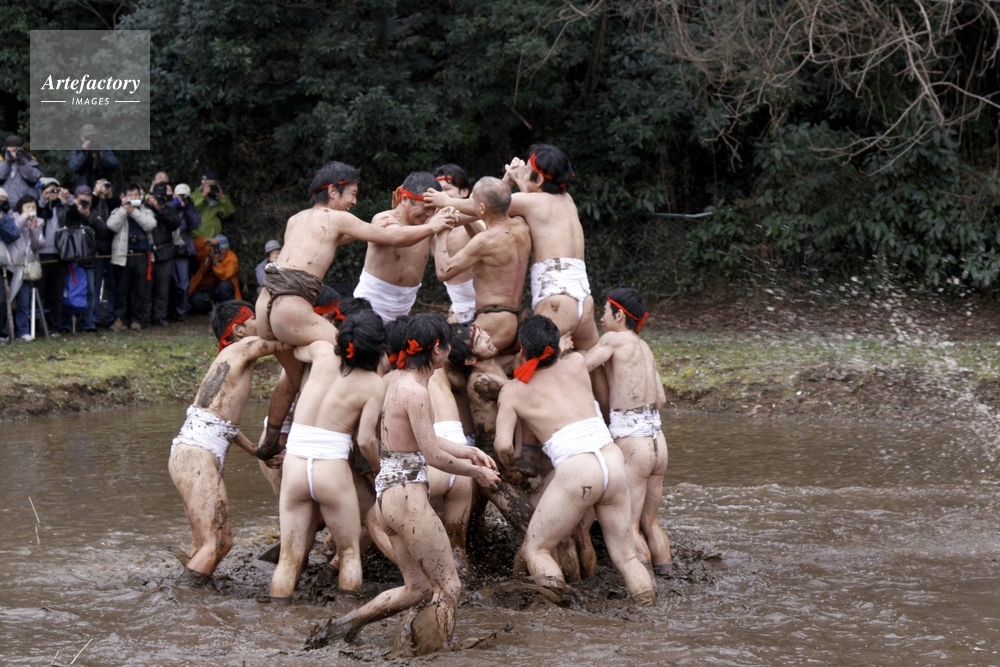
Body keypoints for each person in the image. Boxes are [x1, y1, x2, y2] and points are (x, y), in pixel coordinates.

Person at [307, 314, 499, 654]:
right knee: (449, 586)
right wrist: (476, 473)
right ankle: (433, 656)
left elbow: (424, 439)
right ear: (437, 350)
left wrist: (468, 451)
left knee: (417, 589)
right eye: (447, 346)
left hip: (390, 499)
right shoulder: (416, 392)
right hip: (409, 500)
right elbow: (433, 456)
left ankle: (345, 625)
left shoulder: (399, 384)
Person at [254, 161, 455, 462]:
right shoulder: (338, 218)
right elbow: (390, 237)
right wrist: (434, 226)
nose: (354, 201)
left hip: (264, 306)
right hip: (290, 306)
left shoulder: (297, 219)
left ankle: (272, 438)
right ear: (333, 191)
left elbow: (353, 235)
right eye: (351, 194)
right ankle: (342, 439)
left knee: (294, 377)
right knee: (353, 355)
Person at [494, 314, 655, 603]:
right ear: (556, 346)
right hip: (612, 461)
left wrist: (510, 466)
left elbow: (503, 445)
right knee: (627, 556)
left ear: (522, 349)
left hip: (578, 470)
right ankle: (650, 610)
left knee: (537, 549)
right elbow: (572, 357)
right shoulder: (578, 362)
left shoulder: (513, 391)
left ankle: (562, 620)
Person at [424, 145, 598, 352]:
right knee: (589, 359)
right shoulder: (567, 200)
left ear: (539, 179)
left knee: (534, 363)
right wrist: (517, 179)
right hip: (584, 297)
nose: (523, 172)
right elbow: (516, 201)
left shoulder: (527, 205)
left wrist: (446, 201)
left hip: (556, 299)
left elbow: (487, 205)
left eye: (527, 170)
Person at [168, 300, 291, 586]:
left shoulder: (229, 357)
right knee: (219, 543)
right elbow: (286, 342)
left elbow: (225, 427)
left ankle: (192, 595)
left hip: (191, 453)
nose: (261, 322)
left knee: (205, 543)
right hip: (197, 456)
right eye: (254, 318)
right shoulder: (242, 347)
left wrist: (258, 452)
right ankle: (182, 597)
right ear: (238, 330)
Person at [270, 310, 387, 600]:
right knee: (349, 553)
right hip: (331, 469)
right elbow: (365, 440)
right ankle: (345, 616)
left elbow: (295, 349)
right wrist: (378, 469)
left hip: (295, 465)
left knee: (289, 557)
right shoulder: (374, 384)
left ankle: (275, 616)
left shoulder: (322, 353)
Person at [583, 288, 672, 574]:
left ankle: (647, 589)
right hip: (657, 439)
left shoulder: (613, 339)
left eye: (604, 312)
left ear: (619, 315)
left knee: (629, 526)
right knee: (650, 522)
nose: (601, 319)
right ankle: (669, 578)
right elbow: (661, 398)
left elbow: (582, 366)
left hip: (634, 441)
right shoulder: (644, 347)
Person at [432, 177, 531, 352]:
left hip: (493, 321)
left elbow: (443, 271)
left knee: (444, 357)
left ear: (482, 208)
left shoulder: (484, 241)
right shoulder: (522, 225)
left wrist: (440, 234)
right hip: (518, 318)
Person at [353, 171, 446, 324]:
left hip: (403, 312)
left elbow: (475, 212)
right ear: (404, 199)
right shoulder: (384, 218)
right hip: (369, 308)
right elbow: (397, 237)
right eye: (425, 207)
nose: (429, 213)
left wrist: (451, 203)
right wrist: (432, 227)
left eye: (433, 208)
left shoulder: (430, 222)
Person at [433, 164, 479, 323]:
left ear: (464, 192)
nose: (441, 195)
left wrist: (464, 214)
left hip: (485, 301)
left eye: (446, 189)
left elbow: (487, 240)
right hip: (457, 303)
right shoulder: (431, 224)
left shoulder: (480, 218)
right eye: (437, 191)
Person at [106, 183, 156, 331]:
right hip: (123, 255)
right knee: (121, 289)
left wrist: (133, 211)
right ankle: (120, 319)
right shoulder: (118, 211)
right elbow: (111, 225)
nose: (133, 198)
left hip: (141, 255)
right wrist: (124, 209)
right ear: (124, 197)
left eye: (136, 195)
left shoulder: (146, 211)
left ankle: (137, 319)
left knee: (139, 289)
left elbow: (150, 225)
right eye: (130, 195)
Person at [4, 195, 44, 341]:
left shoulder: (39, 222)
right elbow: (12, 233)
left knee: (24, 301)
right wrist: (23, 218)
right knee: (6, 301)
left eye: (33, 207)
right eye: (27, 207)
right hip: (11, 265)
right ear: (20, 207)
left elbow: (38, 244)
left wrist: (33, 228)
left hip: (26, 267)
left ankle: (23, 331)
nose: (30, 210)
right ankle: (6, 332)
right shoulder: (11, 218)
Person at [35, 179, 70, 335]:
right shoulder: (39, 207)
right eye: (49, 190)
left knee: (56, 293)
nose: (52, 193)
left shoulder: (63, 207)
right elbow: (36, 216)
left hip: (59, 254)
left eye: (55, 189)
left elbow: (74, 217)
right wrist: (43, 200)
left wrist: (67, 200)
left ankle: (54, 326)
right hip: (41, 253)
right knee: (40, 291)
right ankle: (36, 325)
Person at [146, 183, 181, 327]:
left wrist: (161, 209)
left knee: (163, 289)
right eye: (157, 197)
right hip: (149, 253)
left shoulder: (169, 209)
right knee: (147, 288)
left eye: (163, 197)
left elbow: (175, 223)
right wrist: (151, 205)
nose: (160, 199)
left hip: (166, 252)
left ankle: (159, 317)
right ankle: (146, 317)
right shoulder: (145, 208)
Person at [167, 183, 201, 322]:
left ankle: (182, 310)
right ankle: (167, 311)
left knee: (183, 281)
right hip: (167, 247)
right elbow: (162, 216)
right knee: (168, 281)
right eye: (179, 195)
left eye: (184, 196)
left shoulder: (190, 208)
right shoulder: (168, 205)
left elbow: (196, 224)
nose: (182, 198)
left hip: (183, 249)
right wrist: (173, 205)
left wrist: (187, 208)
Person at [90, 178, 119, 327]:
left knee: (113, 285)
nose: (103, 187)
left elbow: (117, 207)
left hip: (113, 249)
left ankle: (111, 317)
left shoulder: (113, 200)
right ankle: (95, 318)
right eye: (100, 183)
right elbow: (89, 208)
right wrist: (95, 193)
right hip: (96, 249)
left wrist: (109, 195)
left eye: (106, 184)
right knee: (95, 286)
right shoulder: (92, 199)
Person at [189, 170, 235, 258]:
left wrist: (222, 196)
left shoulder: (217, 199)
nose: (210, 187)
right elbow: (190, 209)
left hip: (215, 242)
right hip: (198, 242)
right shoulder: (193, 196)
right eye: (208, 184)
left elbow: (229, 211)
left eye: (213, 184)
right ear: (202, 184)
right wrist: (203, 195)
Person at [68, 124, 118, 189]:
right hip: (85, 188)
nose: (91, 139)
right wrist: (84, 154)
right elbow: (74, 167)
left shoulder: (104, 148)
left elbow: (114, 165)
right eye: (88, 137)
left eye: (93, 136)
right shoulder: (77, 151)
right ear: (82, 137)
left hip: (103, 187)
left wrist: (101, 159)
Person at [0, 136, 42, 205]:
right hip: (5, 205)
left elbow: (35, 177)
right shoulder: (4, 162)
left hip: (24, 205)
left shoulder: (30, 161)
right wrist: (8, 161)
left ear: (21, 149)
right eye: (9, 151)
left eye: (14, 150)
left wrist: (21, 162)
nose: (12, 153)